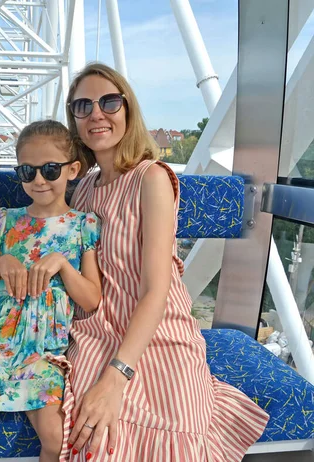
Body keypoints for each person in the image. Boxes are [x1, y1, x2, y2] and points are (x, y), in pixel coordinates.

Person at [60, 63, 269, 461]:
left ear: (128, 110)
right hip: (96, 331)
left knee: (176, 436)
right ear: (73, 118)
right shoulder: (82, 189)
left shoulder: (151, 178)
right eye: (82, 106)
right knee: (92, 435)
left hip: (158, 331)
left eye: (108, 101)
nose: (96, 114)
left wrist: (116, 378)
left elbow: (156, 289)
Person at [0, 120, 103, 462]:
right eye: (27, 172)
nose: (39, 180)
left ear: (73, 169)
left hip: (43, 350)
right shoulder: (5, 220)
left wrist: (62, 263)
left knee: (56, 439)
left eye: (50, 169)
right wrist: (1, 263)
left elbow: (91, 299)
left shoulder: (82, 225)